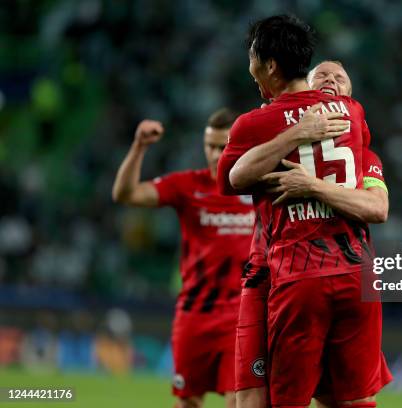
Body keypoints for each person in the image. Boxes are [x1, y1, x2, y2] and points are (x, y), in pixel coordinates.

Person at [217, 15, 386, 408]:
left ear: (270, 65)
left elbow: (230, 180)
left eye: (253, 61)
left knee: (281, 400)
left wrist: (291, 143)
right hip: (356, 273)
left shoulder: (255, 124)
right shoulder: (352, 113)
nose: (251, 71)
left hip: (297, 273)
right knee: (354, 399)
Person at [112, 109, 252, 408]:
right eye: (210, 146)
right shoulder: (188, 186)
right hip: (195, 314)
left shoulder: (257, 189)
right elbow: (126, 194)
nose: (215, 154)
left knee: (240, 400)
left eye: (223, 146)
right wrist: (139, 147)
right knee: (187, 401)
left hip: (243, 315)